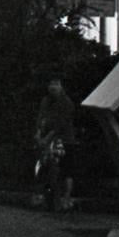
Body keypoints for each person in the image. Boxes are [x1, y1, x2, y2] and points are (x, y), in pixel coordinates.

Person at [36, 78, 77, 211]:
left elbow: (61, 124)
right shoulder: (45, 101)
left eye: (56, 84)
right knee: (47, 168)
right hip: (47, 140)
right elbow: (41, 118)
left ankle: (65, 198)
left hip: (64, 140)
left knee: (65, 170)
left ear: (61, 86)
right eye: (51, 84)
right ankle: (49, 198)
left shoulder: (66, 103)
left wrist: (47, 138)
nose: (53, 87)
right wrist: (38, 134)